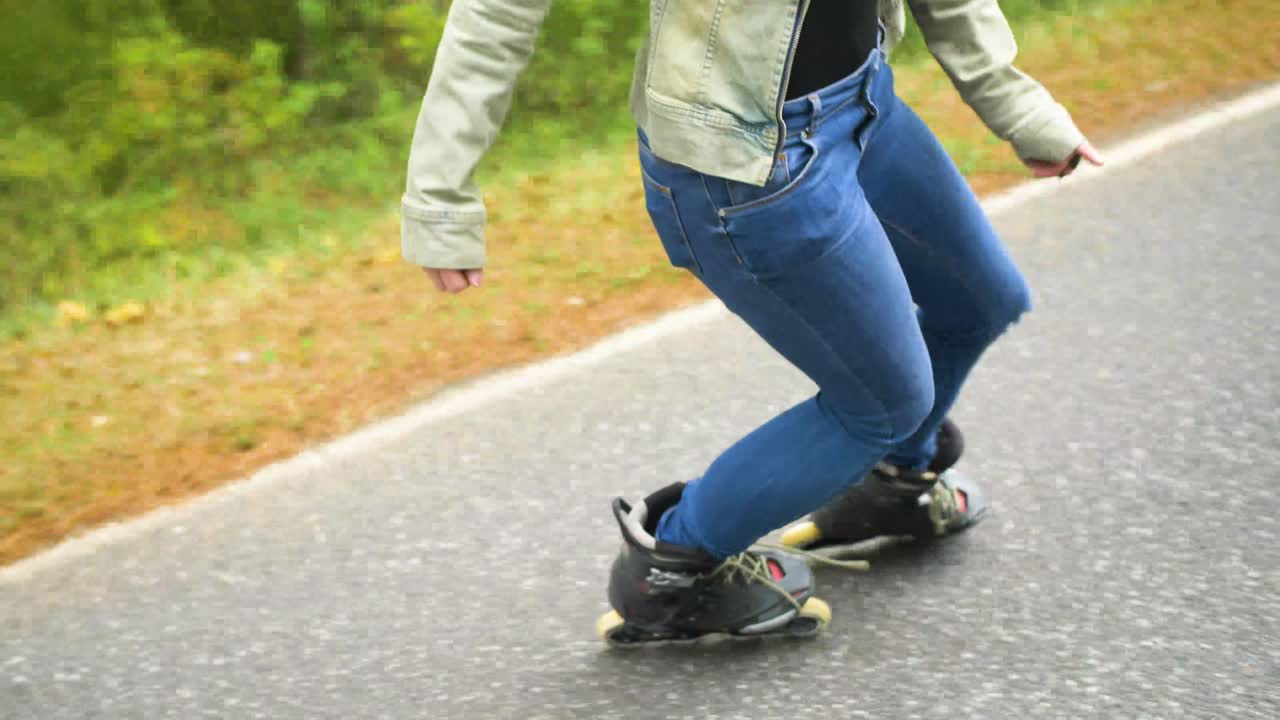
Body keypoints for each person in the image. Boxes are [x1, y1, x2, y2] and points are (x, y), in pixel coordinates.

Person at [402, 1, 1103, 646]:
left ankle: (890, 485)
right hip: (747, 168)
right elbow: (495, 13)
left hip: (863, 103)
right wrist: (440, 198)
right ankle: (674, 565)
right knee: (884, 404)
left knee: (981, 300)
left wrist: (1017, 103)